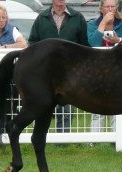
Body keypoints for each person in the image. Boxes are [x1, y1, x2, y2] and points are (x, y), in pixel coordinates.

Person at [28, 0, 88, 133]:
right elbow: (33, 42)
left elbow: (85, 45)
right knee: (43, 104)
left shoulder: (77, 17)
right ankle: (41, 136)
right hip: (45, 71)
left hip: (70, 72)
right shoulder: (41, 18)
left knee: (67, 106)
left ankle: (63, 139)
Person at [87, 0, 122, 132]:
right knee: (96, 104)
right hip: (98, 70)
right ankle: (95, 139)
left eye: (112, 6)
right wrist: (103, 24)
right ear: (101, 8)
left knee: (117, 103)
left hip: (119, 70)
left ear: (116, 8)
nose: (110, 9)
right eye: (107, 6)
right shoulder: (93, 24)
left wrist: (118, 40)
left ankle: (117, 138)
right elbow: (93, 42)